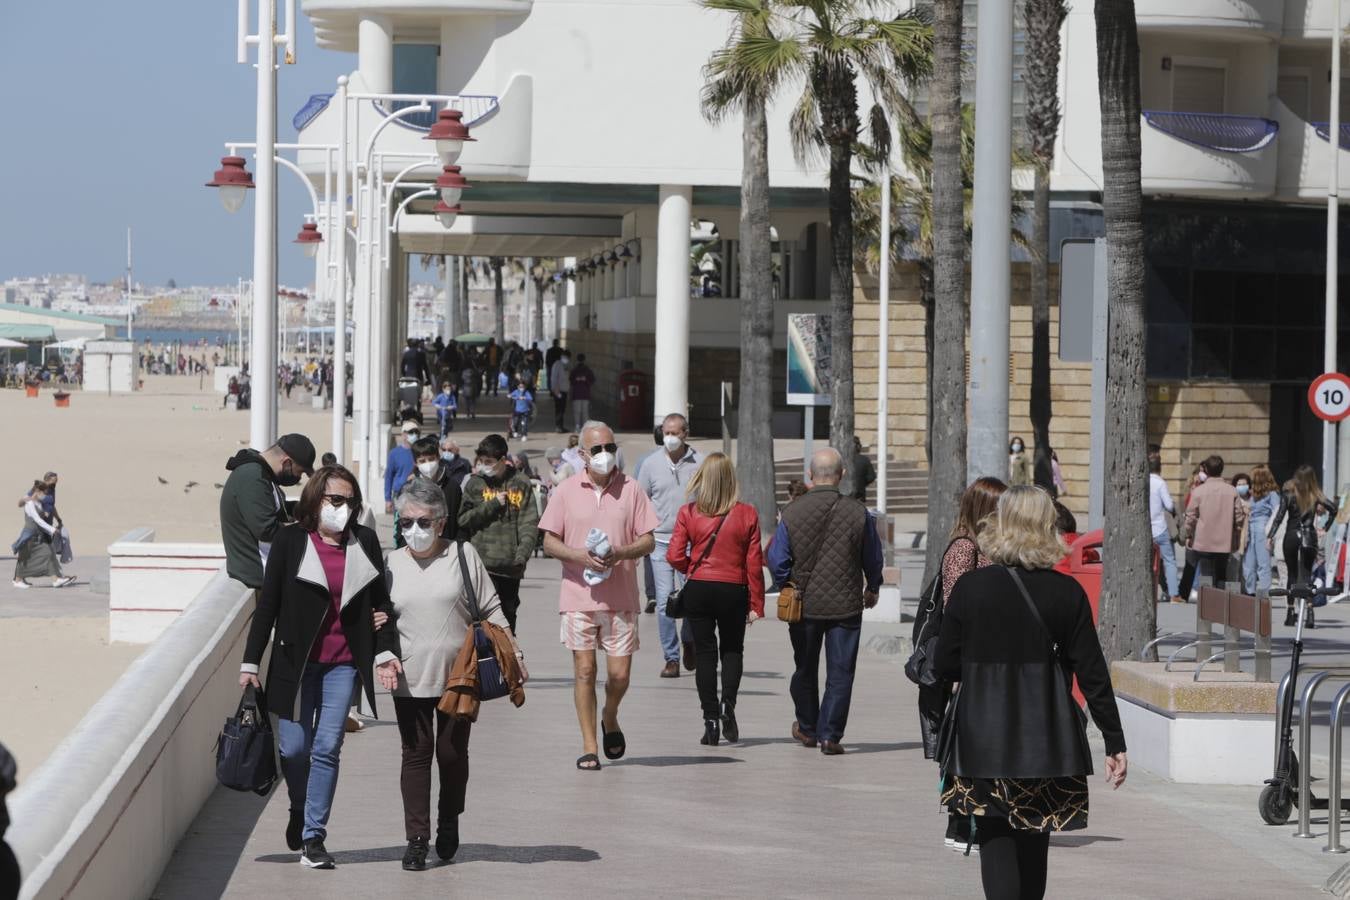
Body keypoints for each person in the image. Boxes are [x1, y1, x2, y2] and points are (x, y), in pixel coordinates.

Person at [935, 486, 1127, 899]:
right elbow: (1091, 673)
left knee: (994, 835)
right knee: (1035, 838)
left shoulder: (972, 589)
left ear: (999, 525)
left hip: (982, 734)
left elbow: (944, 665)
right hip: (1045, 736)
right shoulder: (1066, 593)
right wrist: (1114, 740)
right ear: (1047, 528)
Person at [239, 465, 402, 870]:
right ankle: (298, 805)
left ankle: (314, 837)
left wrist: (382, 634)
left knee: (327, 748)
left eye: (350, 500)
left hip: (343, 664)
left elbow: (381, 600)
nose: (343, 507)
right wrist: (250, 662)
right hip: (296, 663)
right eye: (335, 499)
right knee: (294, 749)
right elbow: (268, 606)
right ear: (315, 500)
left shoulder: (363, 540)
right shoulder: (290, 541)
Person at [386, 477, 525, 870]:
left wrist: (514, 651)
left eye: (424, 522)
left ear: (441, 523)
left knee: (450, 754)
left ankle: (449, 820)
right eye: (407, 522)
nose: (415, 530)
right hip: (408, 676)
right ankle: (416, 839)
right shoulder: (390, 563)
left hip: (459, 675)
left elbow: (492, 607)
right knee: (415, 755)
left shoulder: (462, 555)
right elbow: (377, 618)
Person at [538, 421, 658, 771]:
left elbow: (648, 539)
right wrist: (579, 556)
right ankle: (590, 746)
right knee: (585, 670)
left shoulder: (632, 489)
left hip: (621, 596)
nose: (605, 454)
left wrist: (620, 552)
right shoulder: (566, 491)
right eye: (597, 449)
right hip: (578, 596)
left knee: (619, 676)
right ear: (582, 455)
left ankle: (610, 714)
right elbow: (548, 541)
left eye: (610, 447)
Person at [766, 448, 883, 754]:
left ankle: (807, 728)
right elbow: (872, 555)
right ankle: (830, 734)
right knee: (841, 672)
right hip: (846, 605)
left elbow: (776, 559)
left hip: (804, 606)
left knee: (804, 667)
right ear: (842, 475)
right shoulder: (858, 512)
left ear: (810, 475)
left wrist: (787, 583)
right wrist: (873, 586)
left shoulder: (792, 512)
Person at [926, 476, 1006, 851]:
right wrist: (958, 671)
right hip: (967, 665)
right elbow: (958, 611)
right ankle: (960, 822)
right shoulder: (963, 548)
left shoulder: (997, 548)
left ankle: (986, 816)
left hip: (993, 662)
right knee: (963, 745)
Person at [667, 452, 764, 745]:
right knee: (732, 650)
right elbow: (754, 564)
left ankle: (710, 719)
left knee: (705, 654)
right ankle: (728, 705)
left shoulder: (689, 512)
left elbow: (673, 555)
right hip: (733, 588)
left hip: (699, 588)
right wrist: (757, 604)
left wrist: (692, 569)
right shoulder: (747, 513)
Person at [637, 413, 703, 678]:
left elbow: (709, 498)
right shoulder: (650, 464)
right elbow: (641, 502)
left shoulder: (701, 462)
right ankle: (671, 657)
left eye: (676, 432)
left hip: (692, 543)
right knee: (665, 601)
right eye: (666, 432)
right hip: (662, 543)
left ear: (686, 433)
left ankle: (689, 639)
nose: (670, 438)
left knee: (690, 599)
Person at [457, 434, 540, 632]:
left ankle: (507, 660)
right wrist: (492, 505)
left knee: (507, 620)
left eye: (489, 462)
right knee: (481, 621)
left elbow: (529, 523)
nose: (484, 465)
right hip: (482, 566)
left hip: (510, 568)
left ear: (503, 460)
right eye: (481, 461)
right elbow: (463, 519)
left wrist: (521, 556)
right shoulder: (475, 483)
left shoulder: (520, 482)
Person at [219, 434, 315, 590]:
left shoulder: (262, 472)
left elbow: (275, 510)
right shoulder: (253, 476)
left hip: (268, 572)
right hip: (258, 577)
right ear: (287, 463)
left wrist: (303, 509)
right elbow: (266, 530)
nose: (298, 478)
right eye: (300, 472)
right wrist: (307, 533)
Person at [1271, 464, 1338, 626]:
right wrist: (1325, 528)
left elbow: (1279, 517)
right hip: (1309, 535)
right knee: (1307, 575)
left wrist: (1270, 536)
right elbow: (1334, 509)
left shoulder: (1288, 495)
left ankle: (1290, 612)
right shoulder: (1316, 495)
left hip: (1292, 535)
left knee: (1292, 574)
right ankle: (1309, 612)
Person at [1184, 455, 1245, 592]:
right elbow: (1239, 517)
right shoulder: (1231, 490)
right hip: (1224, 541)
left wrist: (1188, 534)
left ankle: (1206, 607)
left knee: (1205, 575)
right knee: (1221, 574)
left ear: (1205, 470)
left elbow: (1190, 517)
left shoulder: (1198, 491)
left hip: (1203, 541)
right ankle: (1221, 606)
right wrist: (1236, 533)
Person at [11, 480, 75, 588]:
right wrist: (52, 529)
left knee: (48, 553)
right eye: (43, 493)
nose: (45, 495)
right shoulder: (30, 503)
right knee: (24, 558)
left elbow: (42, 519)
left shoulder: (38, 503)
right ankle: (18, 580)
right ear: (37, 491)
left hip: (38, 535)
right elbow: (37, 520)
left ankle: (55, 580)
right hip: (29, 537)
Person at [1244, 464, 1281, 602]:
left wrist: (1272, 534)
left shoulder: (1271, 494)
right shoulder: (1252, 494)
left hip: (1262, 528)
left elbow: (1277, 513)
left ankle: (1262, 593)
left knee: (1263, 564)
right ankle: (1251, 592)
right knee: (1249, 564)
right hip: (1251, 528)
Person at [1149, 454, 1181, 603]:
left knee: (1149, 562)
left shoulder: (1142, 481)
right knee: (1169, 561)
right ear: (1160, 468)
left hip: (1147, 530)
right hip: (1160, 528)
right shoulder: (1160, 483)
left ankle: (1150, 592)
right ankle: (1174, 594)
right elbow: (1168, 505)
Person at [385, 421, 420, 514]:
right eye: (411, 432)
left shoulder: (421, 452)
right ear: (403, 434)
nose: (415, 435)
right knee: (399, 525)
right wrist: (387, 499)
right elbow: (389, 476)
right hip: (399, 494)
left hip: (417, 494)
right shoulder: (394, 453)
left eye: (416, 432)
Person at [569, 354, 595, 431]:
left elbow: (571, 380)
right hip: (585, 393)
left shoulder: (574, 370)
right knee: (585, 411)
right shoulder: (588, 370)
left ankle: (577, 426)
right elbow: (592, 380)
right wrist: (585, 380)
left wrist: (576, 380)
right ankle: (585, 427)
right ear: (584, 360)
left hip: (576, 394)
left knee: (577, 411)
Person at [549, 350, 571, 433]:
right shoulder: (557, 364)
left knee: (562, 409)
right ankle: (558, 426)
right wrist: (555, 390)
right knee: (559, 409)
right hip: (558, 391)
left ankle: (561, 426)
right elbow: (554, 378)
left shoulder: (566, 365)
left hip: (564, 390)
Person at [851, 436, 876, 503]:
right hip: (859, 496)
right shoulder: (864, 459)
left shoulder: (840, 459)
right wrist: (862, 483)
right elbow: (871, 477)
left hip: (843, 497)